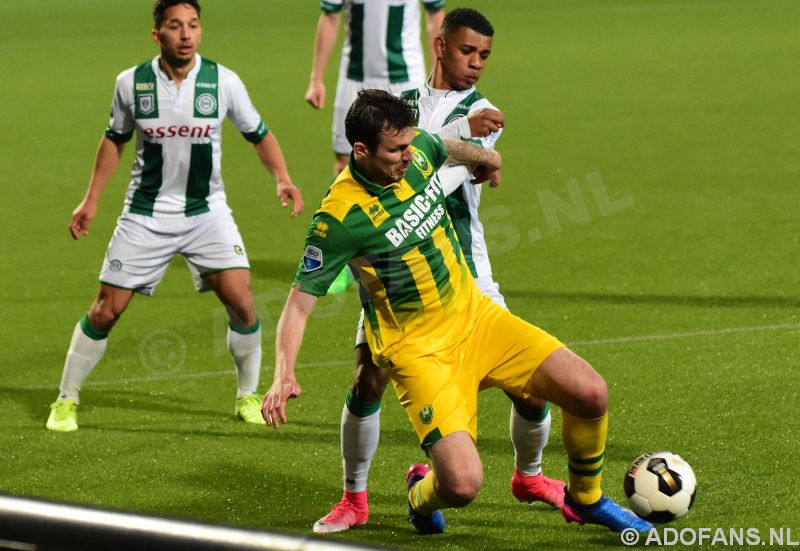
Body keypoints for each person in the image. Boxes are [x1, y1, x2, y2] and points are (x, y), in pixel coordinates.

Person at [262, 89, 653, 536]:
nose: (408, 157)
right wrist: (283, 373)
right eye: (396, 151)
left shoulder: (418, 150)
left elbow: (441, 143)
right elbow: (298, 302)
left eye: (409, 146)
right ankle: (419, 496)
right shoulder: (337, 219)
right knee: (463, 485)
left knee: (591, 393)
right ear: (361, 151)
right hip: (420, 352)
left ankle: (586, 500)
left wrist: (488, 159)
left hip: (477, 319)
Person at [312, 8, 564, 535]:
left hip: (466, 272)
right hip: (396, 278)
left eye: (485, 56)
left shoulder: (484, 112)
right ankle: (353, 498)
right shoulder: (400, 102)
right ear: (441, 46)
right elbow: (413, 162)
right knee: (366, 382)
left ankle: (531, 477)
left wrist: (462, 136)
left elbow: (437, 179)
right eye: (468, 52)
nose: (476, 65)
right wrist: (452, 133)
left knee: (532, 390)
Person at [45, 0, 304, 433]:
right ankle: (65, 399)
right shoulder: (131, 83)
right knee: (106, 310)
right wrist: (90, 199)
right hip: (145, 215)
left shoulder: (223, 81)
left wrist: (282, 178)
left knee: (242, 300)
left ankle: (247, 396)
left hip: (207, 213)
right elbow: (114, 140)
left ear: (200, 32)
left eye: (193, 26)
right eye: (175, 26)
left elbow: (259, 134)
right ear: (157, 35)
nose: (186, 34)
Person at [304, 0, 446, 175]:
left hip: (407, 79)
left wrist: (438, 73)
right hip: (354, 79)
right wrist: (316, 79)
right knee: (346, 163)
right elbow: (330, 17)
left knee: (412, 159)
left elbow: (435, 14)